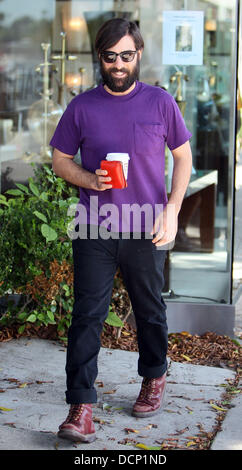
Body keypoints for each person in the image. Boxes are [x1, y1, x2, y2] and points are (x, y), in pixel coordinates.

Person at [50, 18, 192, 443]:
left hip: (146, 227)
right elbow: (60, 159)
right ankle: (81, 406)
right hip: (95, 225)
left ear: (138, 55)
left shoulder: (161, 103)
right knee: (86, 316)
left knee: (149, 311)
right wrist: (91, 180)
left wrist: (172, 209)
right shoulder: (82, 107)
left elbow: (183, 158)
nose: (118, 64)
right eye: (110, 57)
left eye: (126, 56)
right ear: (101, 58)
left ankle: (154, 375)